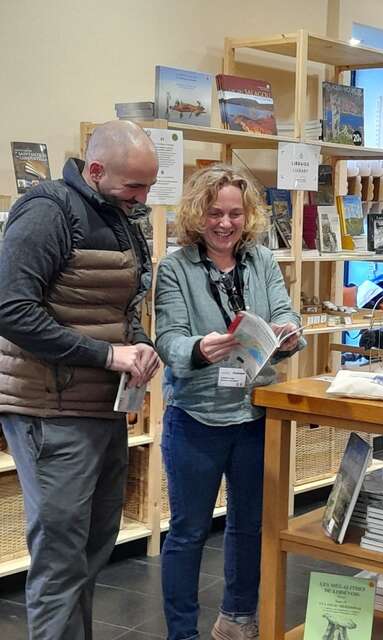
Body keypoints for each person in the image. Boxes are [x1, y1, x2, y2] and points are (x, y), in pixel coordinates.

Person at [0, 120, 161, 640]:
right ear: (94, 170)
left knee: (93, 548)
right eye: (134, 186)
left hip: (100, 407)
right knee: (61, 558)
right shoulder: (49, 211)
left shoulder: (118, 214)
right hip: (51, 410)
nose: (142, 197)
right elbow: (11, 309)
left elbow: (118, 301)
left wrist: (138, 342)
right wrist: (106, 354)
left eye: (148, 187)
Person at [155, 165, 303, 640]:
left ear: (249, 216)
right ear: (198, 214)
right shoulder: (175, 267)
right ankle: (183, 632)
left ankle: (238, 620)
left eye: (235, 214)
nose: (225, 223)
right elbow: (169, 340)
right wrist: (200, 348)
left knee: (249, 525)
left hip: (254, 413)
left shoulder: (261, 260)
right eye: (215, 212)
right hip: (196, 418)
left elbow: (284, 312)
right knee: (188, 531)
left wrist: (286, 333)